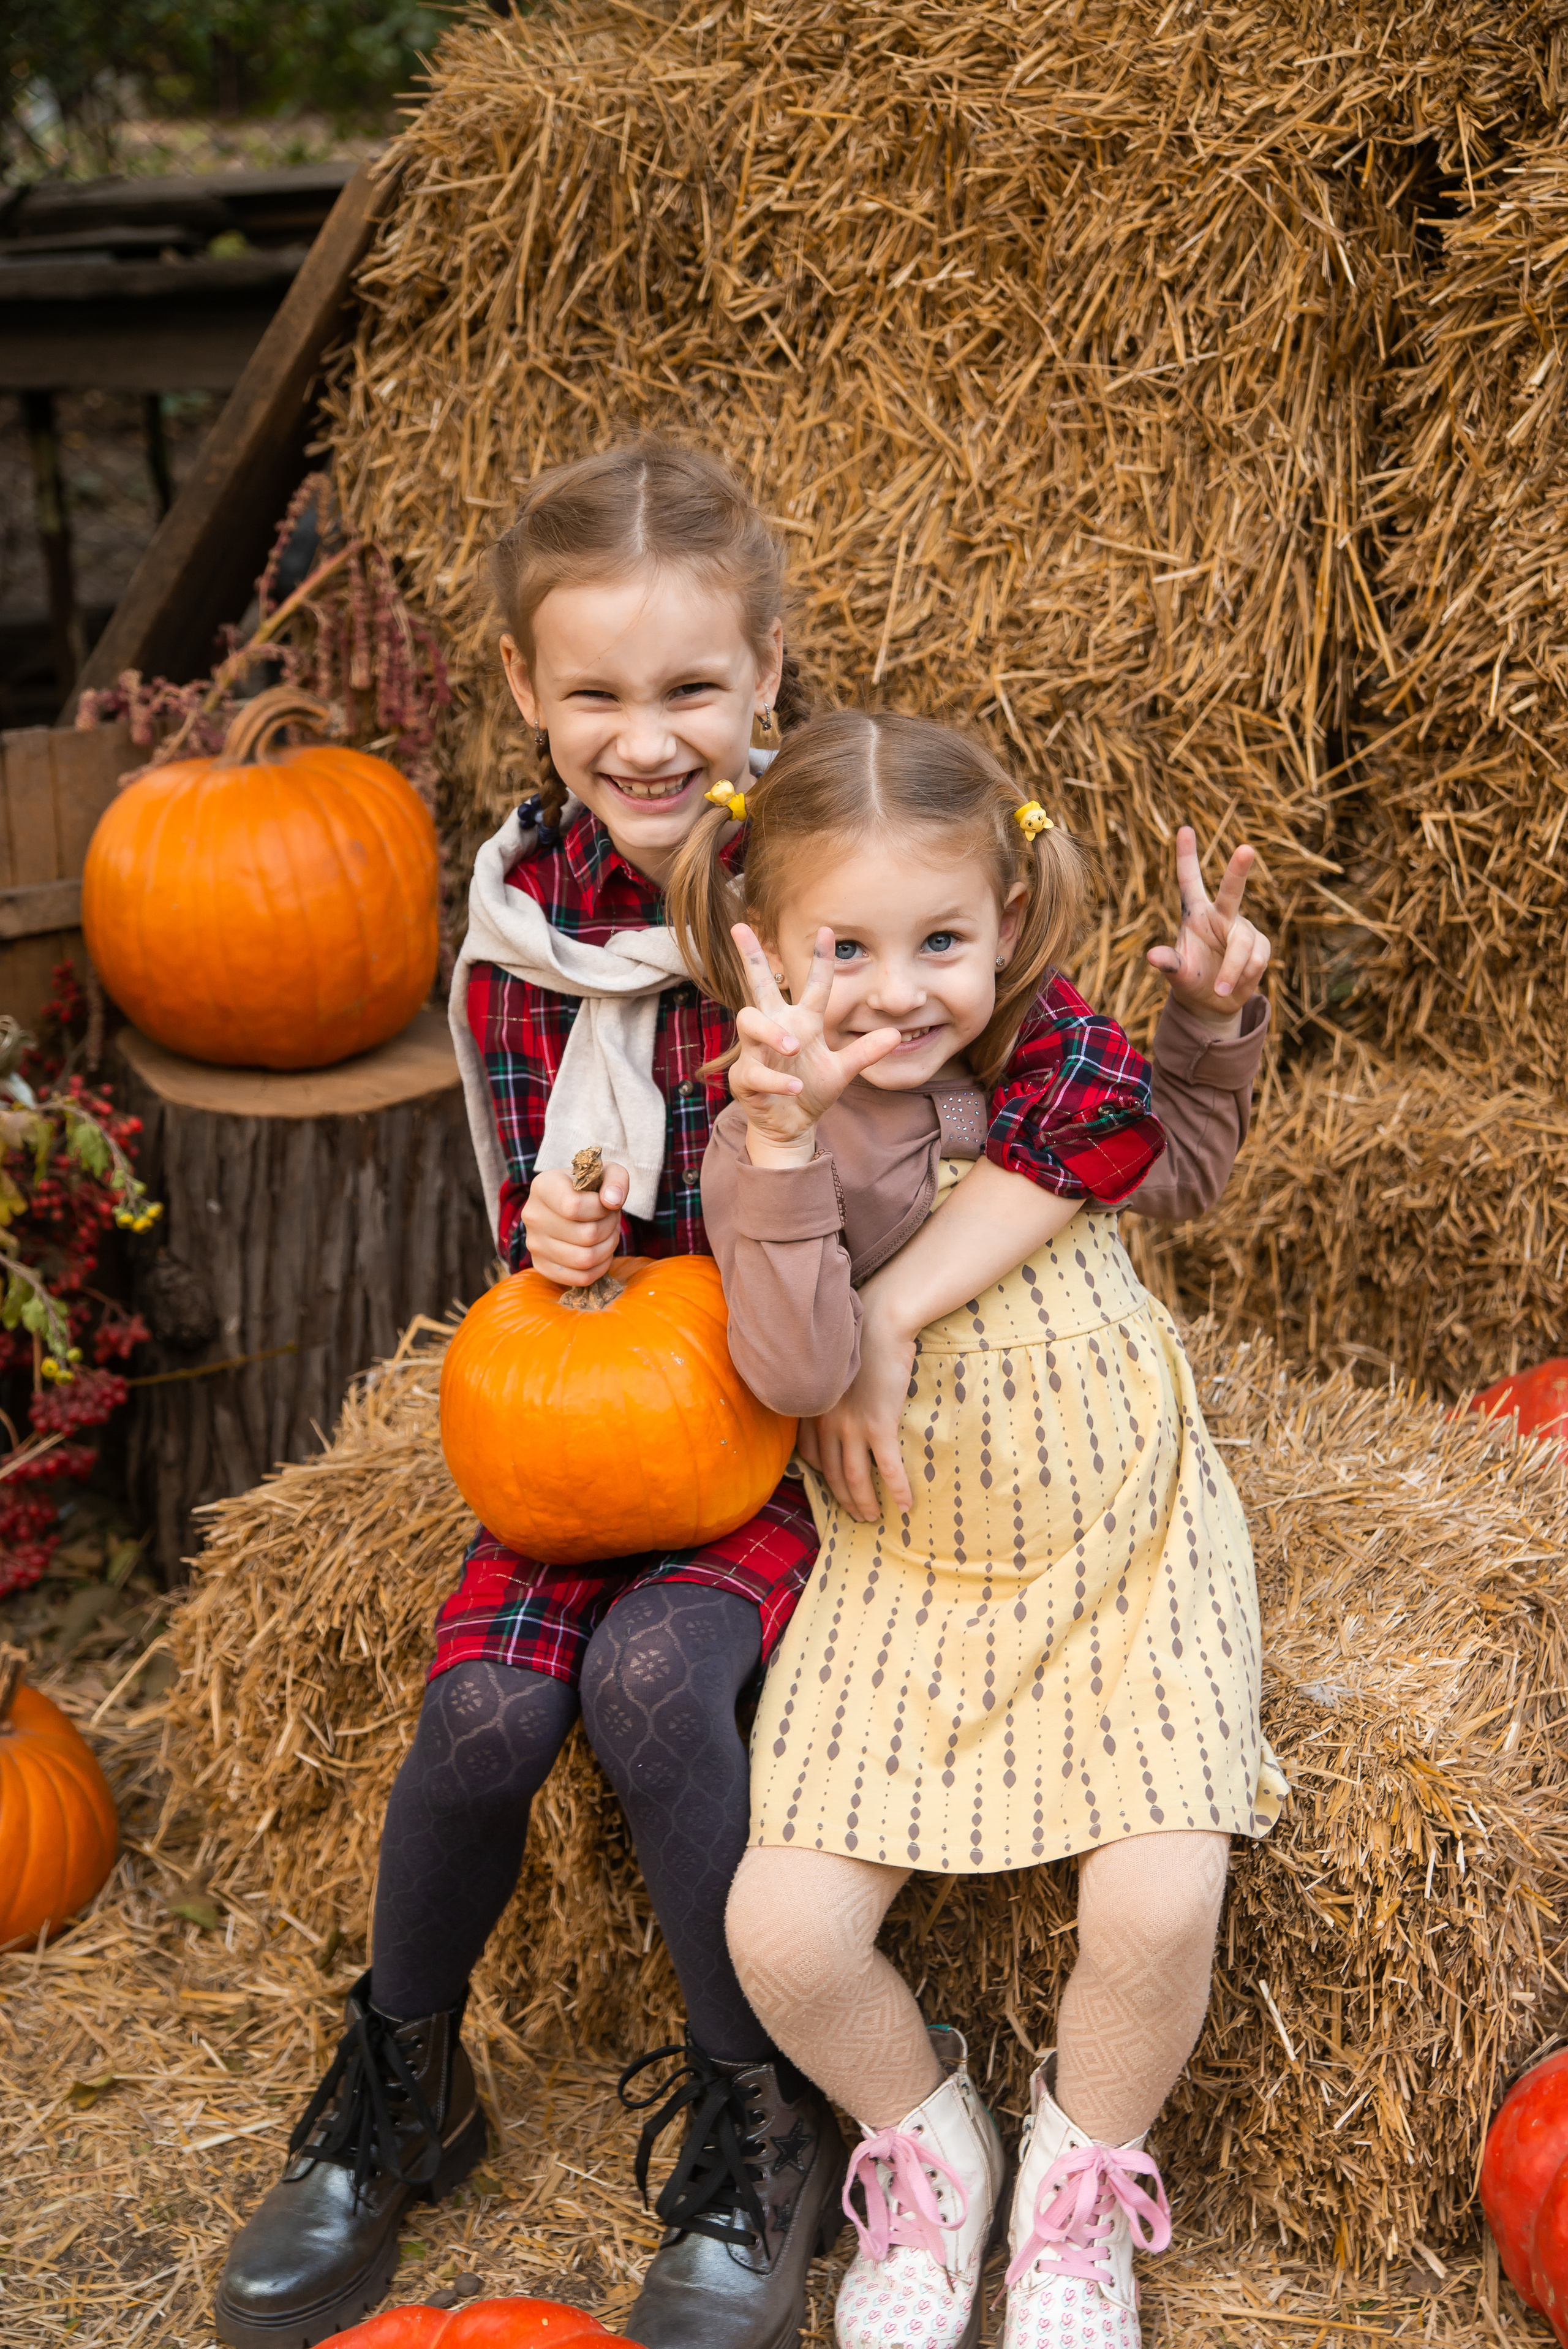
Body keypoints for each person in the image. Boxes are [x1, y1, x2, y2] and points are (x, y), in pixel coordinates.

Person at [215, 441, 1273, 2349]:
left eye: (689, 689)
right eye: (595, 694)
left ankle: (768, 2120)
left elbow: (1099, 1121)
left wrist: (1190, 1028)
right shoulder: (529, 928)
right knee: (477, 1704)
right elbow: (605, 1243)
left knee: (648, 1681)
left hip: (847, 1437)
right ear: (524, 695)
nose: (643, 737)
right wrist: (572, 1235)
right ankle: (396, 2077)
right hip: (649, 1375)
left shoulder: (853, 878)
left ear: (770, 671)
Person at [674, 709, 1287, 2349]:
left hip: (1127, 1547)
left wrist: (1211, 1019)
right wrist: (791, 1146)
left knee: (1159, 1900)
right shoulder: (770, 1141)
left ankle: (1082, 2183)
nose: (896, 986)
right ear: (766, 948)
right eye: (845, 946)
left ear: (1008, 924)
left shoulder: (1057, 1053)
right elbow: (801, 1363)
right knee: (784, 1935)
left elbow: (1191, 1160)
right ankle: (923, 2141)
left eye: (940, 938)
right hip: (916, 1580)